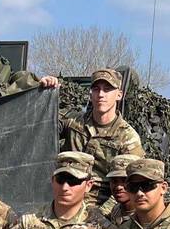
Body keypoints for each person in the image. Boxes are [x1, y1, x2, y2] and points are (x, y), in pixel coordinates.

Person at [44, 68, 144, 202]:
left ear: (119, 95)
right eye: (96, 89)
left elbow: (131, 186)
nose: (101, 94)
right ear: (91, 94)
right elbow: (41, 126)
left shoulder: (127, 138)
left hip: (99, 204)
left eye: (107, 89)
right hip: (64, 194)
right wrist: (44, 90)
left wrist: (103, 215)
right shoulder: (73, 122)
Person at [98, 154, 136, 228]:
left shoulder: (143, 215)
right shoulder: (116, 210)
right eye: (114, 181)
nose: (119, 187)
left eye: (125, 180)